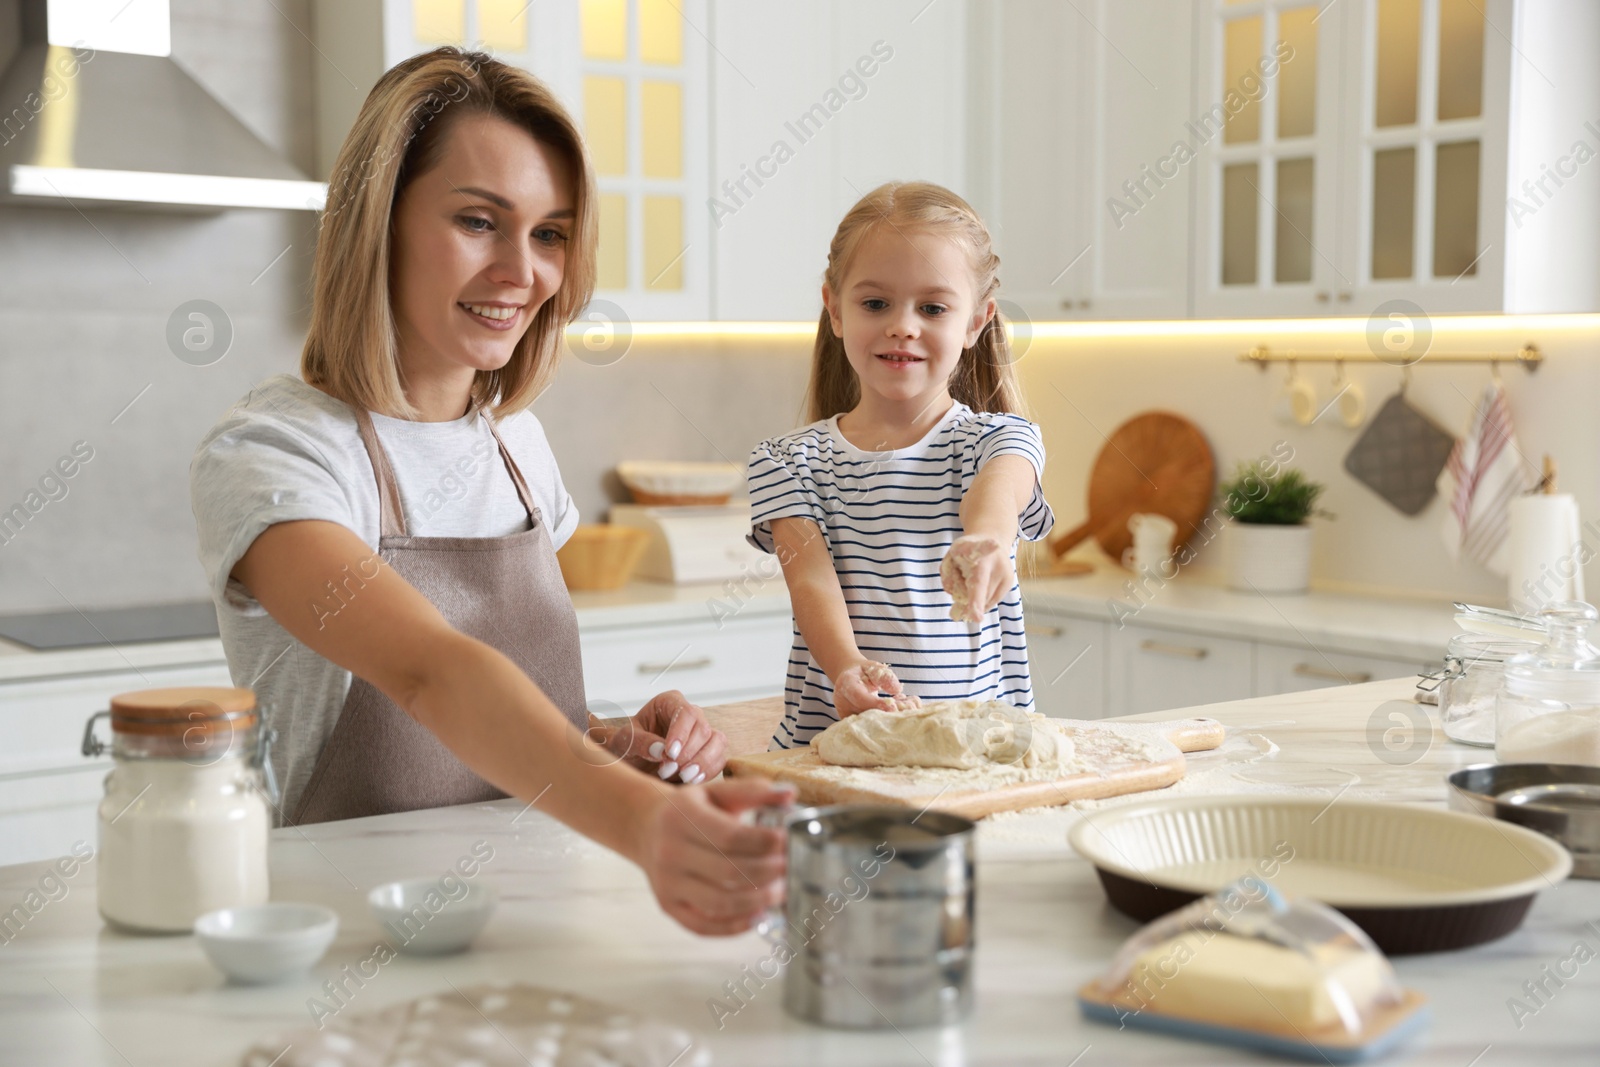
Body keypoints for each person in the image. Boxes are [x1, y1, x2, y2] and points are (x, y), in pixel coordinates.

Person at [189, 47, 787, 935]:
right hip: (352, 931)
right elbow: (430, 673)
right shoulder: (277, 453)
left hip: (540, 909)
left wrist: (616, 741)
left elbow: (501, 737)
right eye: (479, 221)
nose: (524, 271)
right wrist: (641, 822)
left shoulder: (517, 446)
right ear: (378, 222)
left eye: (550, 233)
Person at [746, 182, 1056, 749]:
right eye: (875, 303)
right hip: (830, 751)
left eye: (933, 308)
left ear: (975, 323)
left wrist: (985, 540)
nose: (903, 326)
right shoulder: (788, 462)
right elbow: (812, 582)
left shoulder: (1002, 439)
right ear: (835, 309)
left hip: (979, 757)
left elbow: (998, 492)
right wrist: (848, 669)